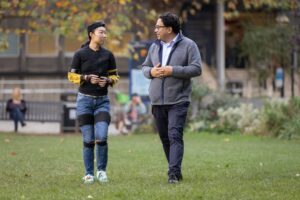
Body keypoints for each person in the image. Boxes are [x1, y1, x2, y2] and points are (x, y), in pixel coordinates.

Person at [142, 12, 202, 183]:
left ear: (169, 29)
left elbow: (196, 69)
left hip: (178, 100)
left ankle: (173, 174)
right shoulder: (155, 46)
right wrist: (151, 72)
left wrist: (172, 70)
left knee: (174, 135)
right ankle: (175, 169)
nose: (155, 30)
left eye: (158, 27)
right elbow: (145, 67)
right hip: (157, 101)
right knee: (165, 138)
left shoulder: (189, 45)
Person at [67, 21, 119, 184]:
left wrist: (108, 81)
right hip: (84, 101)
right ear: (91, 34)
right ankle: (89, 174)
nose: (104, 35)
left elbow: (115, 76)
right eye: (101, 32)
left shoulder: (108, 55)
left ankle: (101, 171)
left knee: (102, 137)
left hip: (102, 101)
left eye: (105, 32)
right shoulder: (80, 54)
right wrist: (86, 77)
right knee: (88, 140)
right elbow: (71, 77)